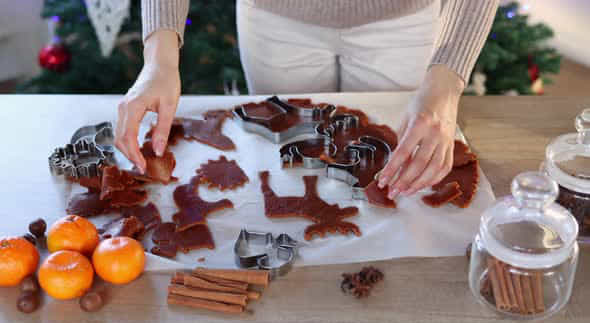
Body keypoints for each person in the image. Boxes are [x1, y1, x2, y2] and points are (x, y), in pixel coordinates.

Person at [116, 0, 498, 199]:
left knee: (392, 170)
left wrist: (446, 84)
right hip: (272, 19)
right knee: (286, 169)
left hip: (404, 19)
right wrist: (160, 58)